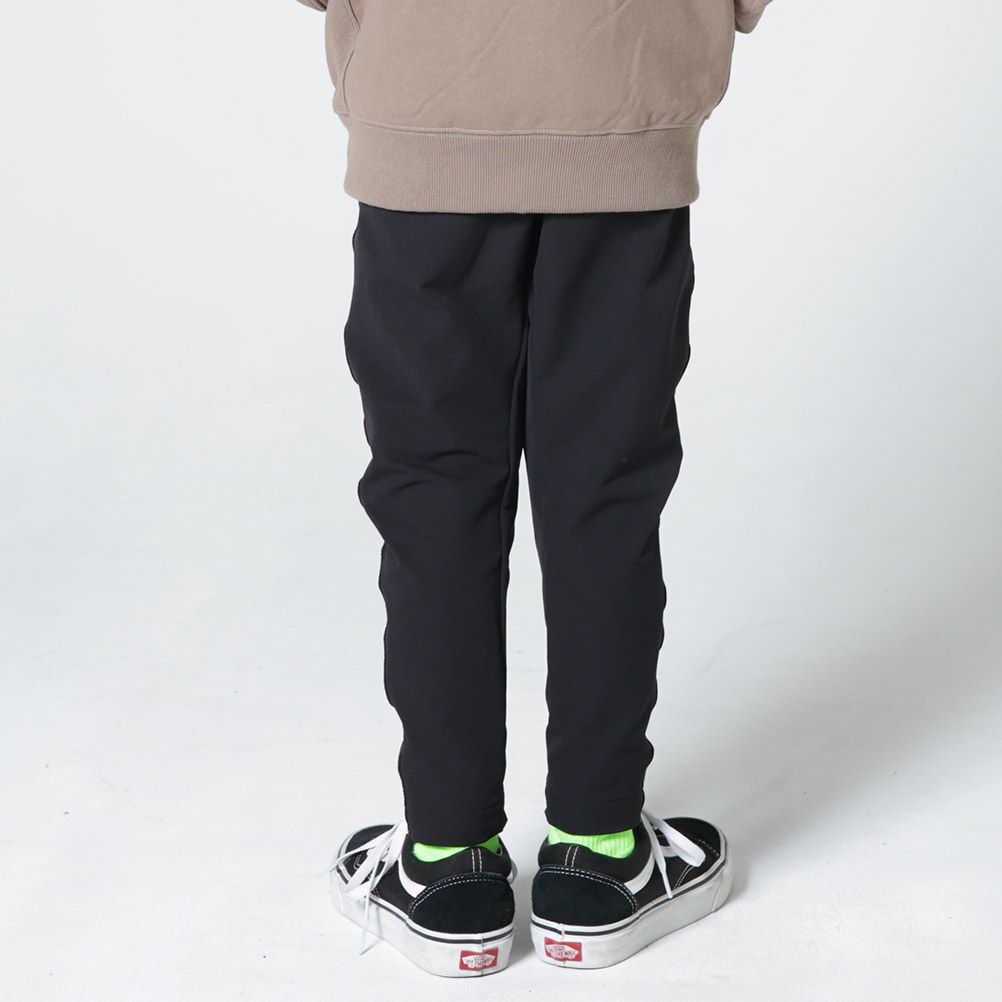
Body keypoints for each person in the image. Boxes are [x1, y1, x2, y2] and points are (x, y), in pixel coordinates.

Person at [294, 0, 774, 977]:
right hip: (621, 99)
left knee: (434, 495)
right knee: (604, 495)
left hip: (425, 109)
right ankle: (599, 853)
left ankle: (446, 862)